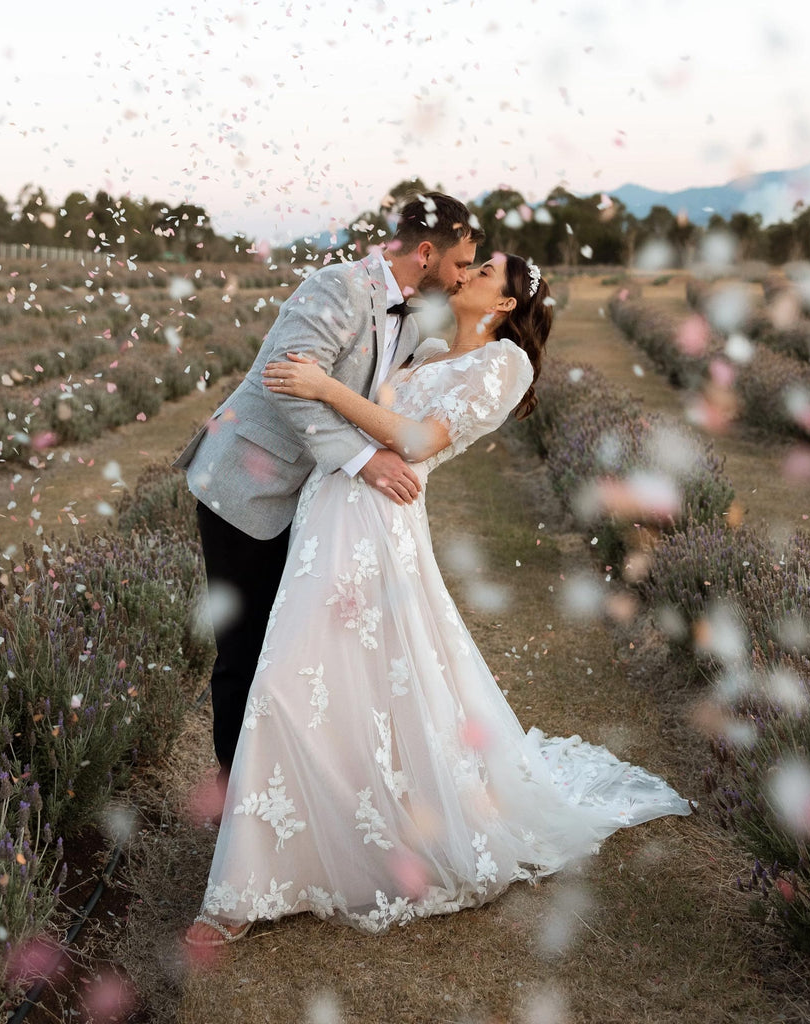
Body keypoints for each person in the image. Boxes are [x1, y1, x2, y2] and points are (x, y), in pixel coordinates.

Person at [184, 252, 692, 946]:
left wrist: (326, 390)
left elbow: (421, 438)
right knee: (322, 684)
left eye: (484, 271)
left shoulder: (504, 367)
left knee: (284, 684)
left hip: (373, 523)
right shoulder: (423, 346)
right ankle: (290, 846)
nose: (468, 273)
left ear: (507, 304)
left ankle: (240, 896)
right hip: (325, 512)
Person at [173, 193, 483, 784]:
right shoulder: (338, 286)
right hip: (248, 488)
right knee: (244, 649)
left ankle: (295, 784)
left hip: (315, 506)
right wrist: (365, 459)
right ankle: (237, 799)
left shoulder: (415, 319)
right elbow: (288, 381)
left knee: (296, 650)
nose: (466, 275)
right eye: (463, 263)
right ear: (425, 253)